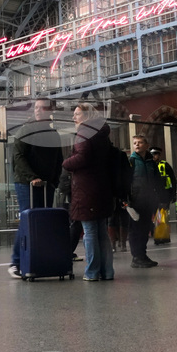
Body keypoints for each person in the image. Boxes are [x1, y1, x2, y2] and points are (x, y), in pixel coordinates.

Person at [9, 99, 64, 278]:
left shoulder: (53, 134)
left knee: (43, 220)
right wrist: (33, 177)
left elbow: (58, 159)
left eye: (43, 108)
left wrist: (54, 180)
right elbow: (18, 157)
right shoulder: (26, 130)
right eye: (37, 107)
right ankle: (16, 261)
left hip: (46, 183)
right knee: (27, 217)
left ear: (50, 111)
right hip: (27, 183)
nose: (39, 111)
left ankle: (38, 258)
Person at [61, 103, 115, 281]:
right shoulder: (102, 133)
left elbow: (82, 157)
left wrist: (66, 162)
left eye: (77, 114)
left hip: (86, 189)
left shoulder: (84, 132)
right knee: (102, 232)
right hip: (102, 187)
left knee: (90, 232)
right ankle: (107, 271)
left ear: (86, 116)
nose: (74, 118)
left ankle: (92, 272)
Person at [128, 134, 162, 268]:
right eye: (135, 143)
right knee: (135, 229)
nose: (137, 145)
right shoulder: (131, 161)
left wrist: (161, 197)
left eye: (140, 142)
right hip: (136, 200)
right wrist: (127, 199)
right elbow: (126, 181)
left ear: (146, 145)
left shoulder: (150, 162)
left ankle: (142, 254)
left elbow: (157, 180)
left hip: (149, 200)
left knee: (145, 228)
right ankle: (136, 256)